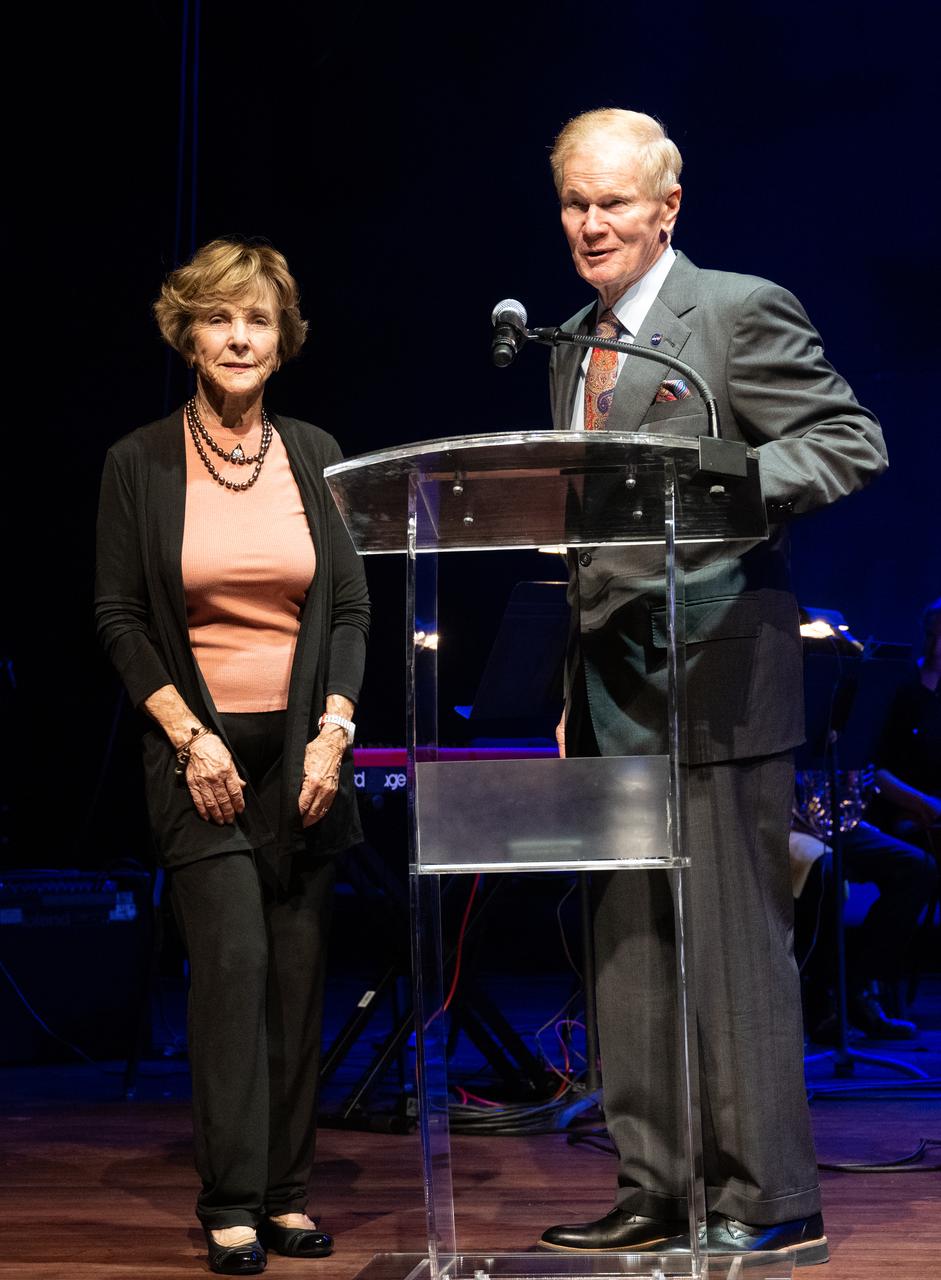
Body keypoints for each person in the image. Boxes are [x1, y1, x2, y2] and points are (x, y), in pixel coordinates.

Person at [537, 110, 887, 1264]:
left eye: (612, 203)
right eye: (574, 203)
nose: (590, 223)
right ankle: (656, 1182)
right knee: (624, 944)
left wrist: (718, 489)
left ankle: (771, 1193)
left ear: (665, 207)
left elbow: (846, 439)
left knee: (732, 946)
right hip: (606, 691)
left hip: (716, 673)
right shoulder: (567, 342)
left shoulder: (732, 310)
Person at [95, 238, 369, 1275]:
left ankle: (290, 1193)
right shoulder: (140, 460)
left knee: (297, 981)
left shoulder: (314, 449)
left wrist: (333, 731)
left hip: (304, 755)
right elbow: (118, 613)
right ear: (188, 332)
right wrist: (188, 731)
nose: (240, 335)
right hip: (195, 751)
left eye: (257, 319)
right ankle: (233, 1198)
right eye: (218, 317)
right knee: (235, 970)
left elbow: (347, 604)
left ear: (282, 338)